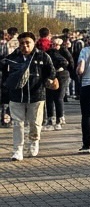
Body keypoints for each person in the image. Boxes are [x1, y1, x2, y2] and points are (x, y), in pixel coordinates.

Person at [2, 32, 55, 160]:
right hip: (16, 96)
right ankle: (17, 149)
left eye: (28, 43)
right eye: (22, 43)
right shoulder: (12, 58)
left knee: (35, 123)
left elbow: (51, 71)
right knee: (17, 123)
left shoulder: (43, 56)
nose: (25, 46)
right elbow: (4, 76)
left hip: (36, 95)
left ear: (34, 43)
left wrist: (50, 80)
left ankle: (34, 141)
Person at [45, 37, 74, 130]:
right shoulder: (49, 52)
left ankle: (59, 119)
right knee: (49, 97)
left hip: (62, 75)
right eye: (53, 44)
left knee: (58, 98)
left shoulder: (64, 52)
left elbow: (70, 63)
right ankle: (50, 118)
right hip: (51, 76)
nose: (54, 46)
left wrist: (65, 69)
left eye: (57, 45)